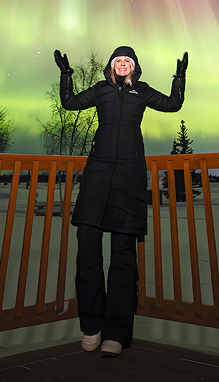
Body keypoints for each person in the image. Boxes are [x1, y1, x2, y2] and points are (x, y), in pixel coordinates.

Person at [54, 45, 187, 358]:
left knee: (123, 254)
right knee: (87, 242)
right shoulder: (100, 90)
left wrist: (179, 77)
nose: (123, 62)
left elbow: (172, 105)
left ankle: (116, 332)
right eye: (118, 59)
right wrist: (66, 75)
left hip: (128, 173)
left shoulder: (141, 91)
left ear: (135, 66)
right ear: (111, 67)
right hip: (98, 172)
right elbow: (69, 103)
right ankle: (91, 326)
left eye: (128, 59)